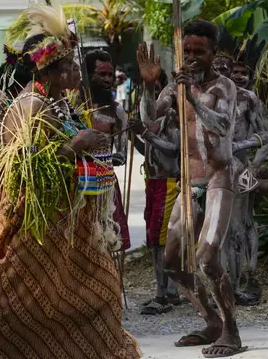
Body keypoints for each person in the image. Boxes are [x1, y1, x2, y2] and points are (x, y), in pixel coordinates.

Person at [0, 4, 141, 358]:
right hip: (38, 222)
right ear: (51, 71)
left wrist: (90, 142)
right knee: (27, 299)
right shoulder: (31, 104)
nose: (77, 72)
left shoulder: (57, 101)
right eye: (70, 67)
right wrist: (75, 145)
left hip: (66, 222)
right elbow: (21, 166)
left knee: (100, 290)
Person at [138, 19, 245, 358]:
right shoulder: (174, 87)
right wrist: (149, 85)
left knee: (206, 257)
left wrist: (193, 100)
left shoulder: (224, 87)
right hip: (190, 183)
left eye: (201, 51)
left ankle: (231, 331)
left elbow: (223, 124)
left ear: (214, 53)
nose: (194, 57)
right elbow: (148, 118)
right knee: (171, 262)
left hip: (218, 179)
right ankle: (210, 319)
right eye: (188, 51)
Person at [212, 29, 268, 307]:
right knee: (218, 229)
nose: (238, 76)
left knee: (241, 225)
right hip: (217, 172)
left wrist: (253, 166)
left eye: (244, 72)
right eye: (234, 70)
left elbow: (265, 137)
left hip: (241, 169)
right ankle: (225, 283)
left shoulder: (249, 99)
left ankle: (248, 278)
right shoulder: (217, 96)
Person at [128, 70, 182, 315]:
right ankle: (168, 291)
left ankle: (164, 294)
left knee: (161, 240)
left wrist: (145, 132)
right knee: (155, 239)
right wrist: (136, 137)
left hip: (168, 183)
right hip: (153, 182)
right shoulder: (154, 120)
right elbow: (149, 151)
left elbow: (173, 150)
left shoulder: (171, 118)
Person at [84, 49, 132, 251]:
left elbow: (121, 156)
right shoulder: (71, 105)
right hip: (75, 183)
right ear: (88, 76)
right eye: (101, 74)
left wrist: (102, 152)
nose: (107, 79)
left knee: (106, 243)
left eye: (110, 74)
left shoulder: (117, 111)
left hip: (104, 187)